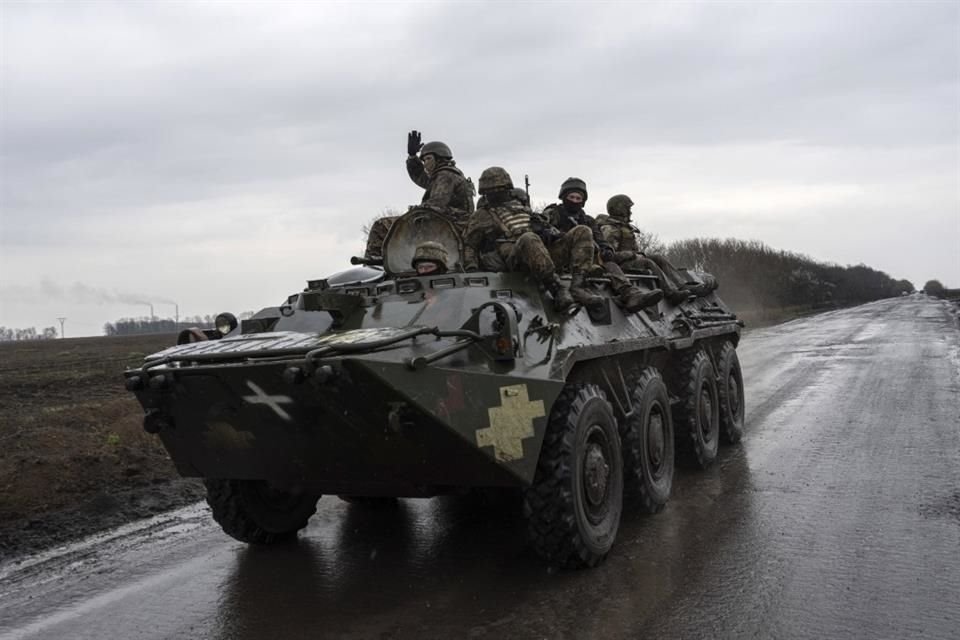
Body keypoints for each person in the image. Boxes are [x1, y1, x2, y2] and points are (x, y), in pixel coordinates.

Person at [462, 167, 585, 312]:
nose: (495, 194)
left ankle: (578, 286)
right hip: (514, 259)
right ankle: (556, 288)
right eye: (490, 191)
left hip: (543, 256)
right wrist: (472, 269)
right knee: (528, 238)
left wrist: (549, 232)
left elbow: (551, 231)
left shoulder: (522, 209)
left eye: (500, 189)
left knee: (582, 231)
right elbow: (470, 245)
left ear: (508, 188)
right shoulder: (482, 215)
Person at [542, 178, 663, 312]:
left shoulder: (588, 220)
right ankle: (577, 288)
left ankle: (631, 295)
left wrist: (607, 249)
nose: (575, 201)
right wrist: (550, 233)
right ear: (563, 196)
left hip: (584, 260)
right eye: (571, 197)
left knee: (610, 264)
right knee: (583, 231)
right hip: (559, 257)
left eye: (578, 198)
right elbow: (541, 231)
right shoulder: (552, 214)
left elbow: (600, 238)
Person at [598, 195, 717, 303]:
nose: (630, 212)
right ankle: (671, 293)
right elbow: (609, 255)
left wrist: (636, 254)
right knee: (647, 262)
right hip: (620, 266)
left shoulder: (624, 227)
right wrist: (632, 255)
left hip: (631, 260)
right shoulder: (610, 229)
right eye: (627, 208)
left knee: (657, 257)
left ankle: (681, 285)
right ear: (619, 210)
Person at [406, 130, 475, 215]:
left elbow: (436, 204)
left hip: (456, 223)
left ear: (439, 159)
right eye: (424, 160)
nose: (425, 163)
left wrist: (417, 209)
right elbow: (420, 176)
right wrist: (412, 157)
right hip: (454, 221)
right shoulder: (442, 175)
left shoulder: (446, 176)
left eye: (428, 158)